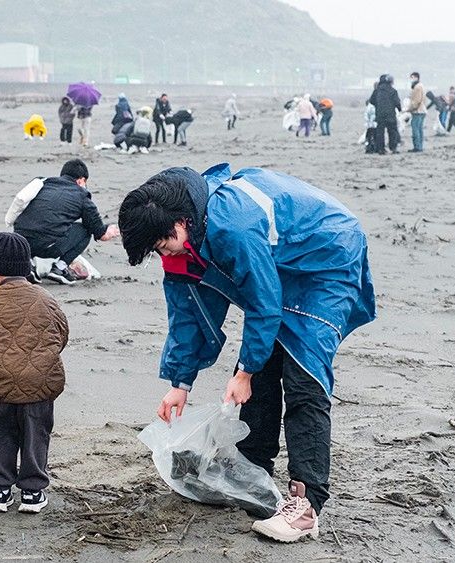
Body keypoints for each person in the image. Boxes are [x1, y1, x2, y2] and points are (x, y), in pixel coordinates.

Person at [117, 164, 375, 543]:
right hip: (279, 265)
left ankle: (307, 507)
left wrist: (245, 370)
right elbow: (186, 316)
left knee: (304, 377)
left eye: (161, 244)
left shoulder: (232, 224)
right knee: (260, 367)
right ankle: (253, 472)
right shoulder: (180, 242)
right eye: (155, 250)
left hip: (328, 258)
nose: (162, 253)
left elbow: (263, 303)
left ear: (181, 222)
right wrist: (180, 382)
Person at [0, 232, 69, 514]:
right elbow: (61, 335)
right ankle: (32, 491)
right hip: (40, 382)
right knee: (36, 432)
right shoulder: (47, 299)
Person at [12, 159, 120, 284]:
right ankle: (59, 269)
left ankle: (28, 264)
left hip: (20, 242)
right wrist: (110, 230)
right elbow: (100, 233)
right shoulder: (83, 196)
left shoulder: (43, 183)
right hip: (47, 246)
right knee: (85, 230)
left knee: (36, 222)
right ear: (81, 180)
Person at [369, 75, 402, 154]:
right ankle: (393, 148)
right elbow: (397, 102)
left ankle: (381, 149)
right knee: (392, 131)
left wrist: (378, 105)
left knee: (380, 132)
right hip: (390, 114)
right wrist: (399, 109)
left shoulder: (377, 90)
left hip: (380, 114)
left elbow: (371, 101)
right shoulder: (393, 90)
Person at [407, 72, 427, 152]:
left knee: (416, 129)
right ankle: (420, 146)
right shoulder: (421, 86)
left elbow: (417, 101)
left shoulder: (417, 87)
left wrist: (410, 109)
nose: (411, 79)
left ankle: (417, 147)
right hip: (422, 111)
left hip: (417, 111)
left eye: (412, 77)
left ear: (417, 77)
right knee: (419, 129)